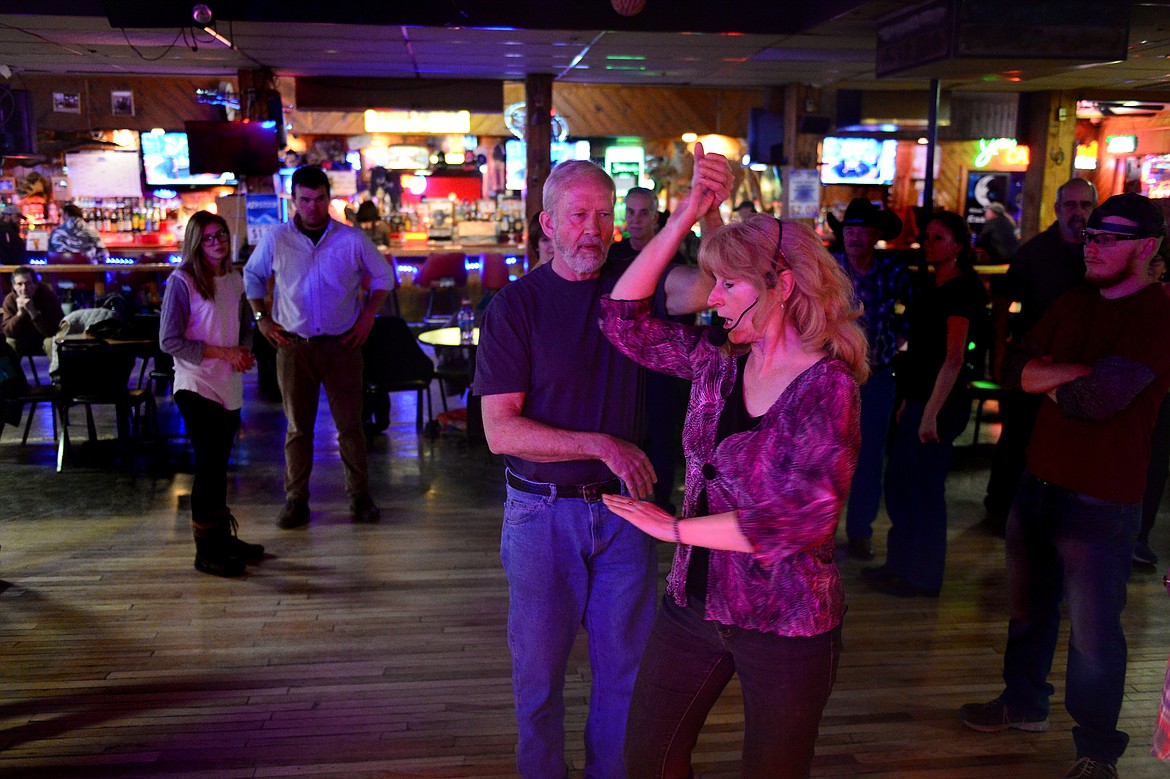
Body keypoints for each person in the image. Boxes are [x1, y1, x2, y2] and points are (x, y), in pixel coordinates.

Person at [474, 149, 732, 779]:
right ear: (548, 224)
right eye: (577, 214)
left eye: (603, 213)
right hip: (541, 515)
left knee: (625, 677)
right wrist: (601, 444)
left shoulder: (633, 283)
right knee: (538, 682)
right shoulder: (517, 306)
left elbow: (717, 286)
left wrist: (710, 205)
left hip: (626, 514)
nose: (592, 228)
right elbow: (498, 430)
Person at [598, 207, 865, 777]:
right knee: (648, 756)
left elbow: (802, 519)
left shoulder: (828, 386)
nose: (711, 298)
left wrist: (672, 529)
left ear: (782, 285)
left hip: (785, 619)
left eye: (727, 283)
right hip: (691, 604)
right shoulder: (717, 361)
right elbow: (623, 320)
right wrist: (686, 217)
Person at [959, 193, 1170, 779]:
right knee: (1028, 612)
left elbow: (1100, 401)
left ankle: (1097, 751)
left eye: (1109, 238)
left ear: (1147, 248)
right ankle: (1023, 704)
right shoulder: (1074, 300)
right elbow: (1008, 368)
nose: (1092, 244)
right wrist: (1074, 375)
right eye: (1091, 234)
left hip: (1102, 496)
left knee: (1094, 634)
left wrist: (1050, 378)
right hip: (1040, 478)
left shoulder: (1156, 314)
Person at [244, 166, 392, 529]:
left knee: (351, 426)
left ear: (329, 199)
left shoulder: (352, 239)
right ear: (293, 200)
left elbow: (385, 276)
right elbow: (252, 275)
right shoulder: (277, 238)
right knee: (298, 428)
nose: (312, 206)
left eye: (320, 198)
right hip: (295, 346)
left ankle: (359, 497)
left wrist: (368, 316)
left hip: (342, 345)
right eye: (305, 199)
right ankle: (296, 500)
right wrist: (261, 317)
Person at [863, 211, 987, 597]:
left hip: (940, 401)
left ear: (957, 245)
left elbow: (953, 358)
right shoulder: (933, 284)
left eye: (937, 238)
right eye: (927, 237)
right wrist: (910, 402)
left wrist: (929, 411)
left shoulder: (962, 290)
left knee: (924, 487)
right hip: (919, 395)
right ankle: (901, 564)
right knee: (901, 481)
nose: (928, 243)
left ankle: (923, 574)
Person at [984, 178, 1097, 531]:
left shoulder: (1099, 250)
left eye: (1084, 205)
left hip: (1083, 367)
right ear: (1057, 208)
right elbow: (1002, 301)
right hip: (1035, 362)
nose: (1077, 213)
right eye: (1070, 205)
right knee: (1018, 437)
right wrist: (999, 350)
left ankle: (1053, 516)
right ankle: (999, 509)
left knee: (1068, 442)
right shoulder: (1035, 251)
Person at [160, 212, 263, 578]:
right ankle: (206, 550)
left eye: (221, 235)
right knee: (209, 466)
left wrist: (245, 350)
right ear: (195, 243)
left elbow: (245, 324)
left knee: (220, 466)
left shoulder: (233, 278)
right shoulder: (182, 282)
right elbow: (169, 340)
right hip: (195, 383)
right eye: (208, 238)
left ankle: (222, 538)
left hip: (228, 383)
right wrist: (225, 353)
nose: (218, 242)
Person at [831, 197, 911, 561]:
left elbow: (912, 313)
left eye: (862, 230)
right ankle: (821, 532)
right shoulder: (830, 269)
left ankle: (860, 532)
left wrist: (897, 340)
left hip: (877, 377)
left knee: (868, 457)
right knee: (826, 457)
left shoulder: (892, 271)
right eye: (850, 230)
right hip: (831, 378)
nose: (856, 237)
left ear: (876, 235)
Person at [2, 265, 64, 359]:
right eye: (19, 284)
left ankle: (57, 373)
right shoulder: (10, 299)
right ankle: (12, 374)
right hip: (23, 338)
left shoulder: (48, 297)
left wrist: (33, 312)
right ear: (14, 286)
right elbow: (7, 332)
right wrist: (20, 314)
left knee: (51, 342)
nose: (24, 288)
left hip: (44, 337)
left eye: (28, 283)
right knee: (10, 343)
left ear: (36, 284)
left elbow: (52, 331)